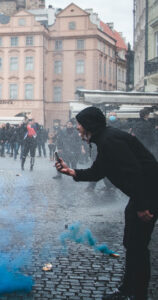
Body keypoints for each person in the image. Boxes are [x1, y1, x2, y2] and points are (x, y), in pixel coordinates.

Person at [55, 107, 158, 300]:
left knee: (138, 247)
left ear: (89, 125)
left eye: (79, 124)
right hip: (143, 195)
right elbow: (97, 171)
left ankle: (139, 295)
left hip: (148, 194)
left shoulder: (110, 140)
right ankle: (127, 289)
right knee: (131, 243)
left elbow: (135, 172)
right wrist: (72, 172)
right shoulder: (106, 139)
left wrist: (143, 206)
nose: (77, 128)